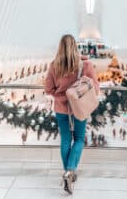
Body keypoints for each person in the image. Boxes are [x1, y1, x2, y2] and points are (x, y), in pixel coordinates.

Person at [45, 34, 99, 194]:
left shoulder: (54, 65)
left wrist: (63, 96)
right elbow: (95, 87)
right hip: (80, 108)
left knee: (66, 140)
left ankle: (68, 173)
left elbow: (49, 89)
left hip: (61, 109)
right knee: (80, 139)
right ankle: (70, 170)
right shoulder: (85, 64)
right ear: (75, 46)